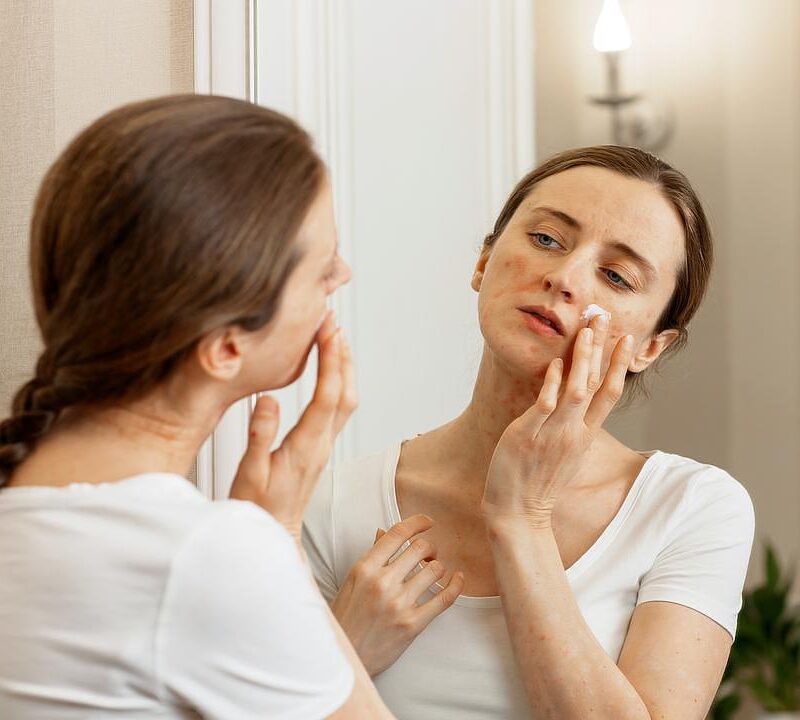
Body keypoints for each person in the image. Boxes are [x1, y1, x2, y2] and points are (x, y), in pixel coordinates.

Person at [303, 146, 756, 720]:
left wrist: (521, 518)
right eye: (546, 239)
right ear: (483, 262)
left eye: (616, 276)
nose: (563, 278)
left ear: (650, 347)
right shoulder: (337, 502)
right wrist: (344, 656)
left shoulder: (691, 508)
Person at [0, 94, 399, 718]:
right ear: (225, 345)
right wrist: (279, 540)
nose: (343, 274)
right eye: (323, 269)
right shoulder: (204, 554)